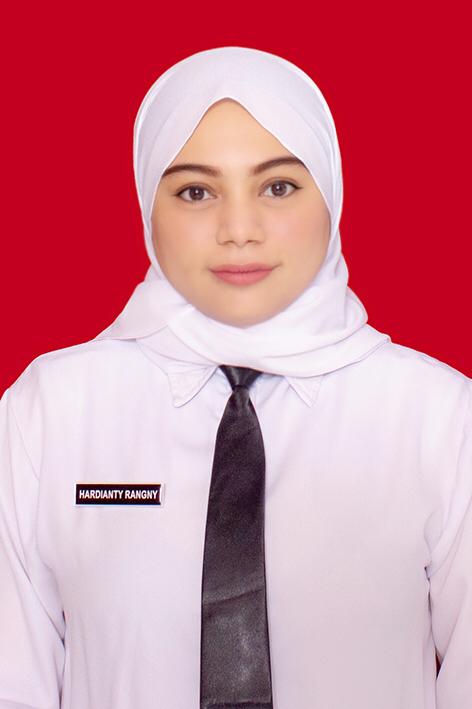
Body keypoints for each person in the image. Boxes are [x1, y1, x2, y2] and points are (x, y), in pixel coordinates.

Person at [0, 45, 470, 709]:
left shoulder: (440, 419)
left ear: (331, 193)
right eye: (196, 192)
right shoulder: (50, 413)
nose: (239, 230)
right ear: (147, 202)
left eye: (278, 187)